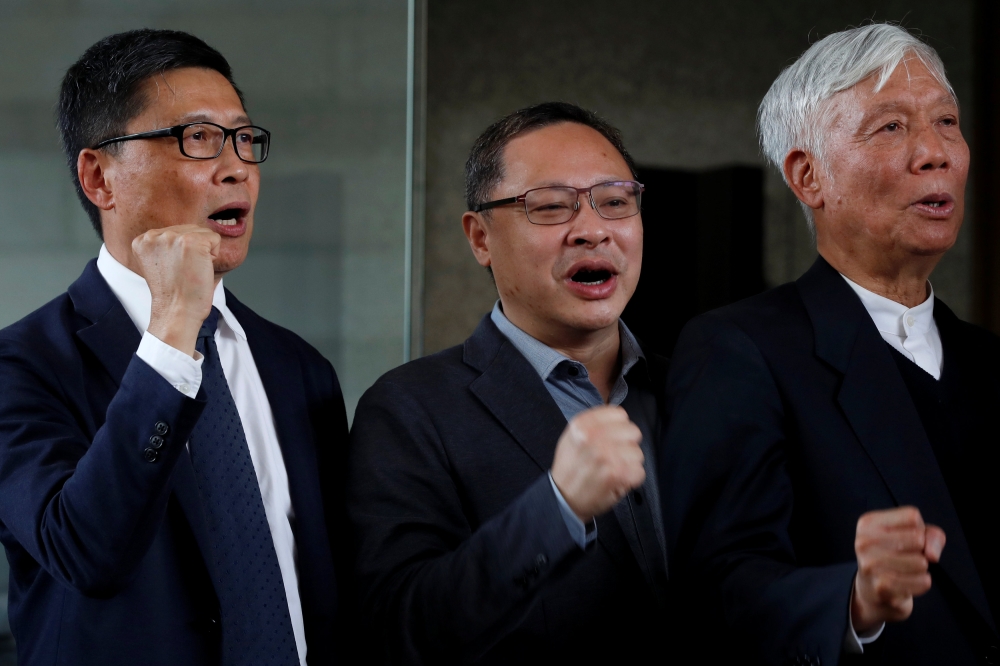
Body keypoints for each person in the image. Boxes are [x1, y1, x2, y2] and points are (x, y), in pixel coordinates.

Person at [0, 30, 348, 665]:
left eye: (244, 139)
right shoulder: (21, 367)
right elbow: (84, 551)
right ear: (99, 176)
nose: (236, 166)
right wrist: (172, 332)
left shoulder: (299, 368)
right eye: (197, 140)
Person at [661, 23, 998, 666]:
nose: (936, 153)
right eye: (891, 127)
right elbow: (716, 589)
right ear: (808, 176)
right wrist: (852, 599)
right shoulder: (740, 351)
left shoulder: (992, 364)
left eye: (948, 122)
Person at [347, 102, 669, 664]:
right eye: (550, 207)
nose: (592, 230)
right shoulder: (409, 410)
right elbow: (397, 629)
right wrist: (557, 507)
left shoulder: (700, 387)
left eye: (615, 202)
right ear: (480, 239)